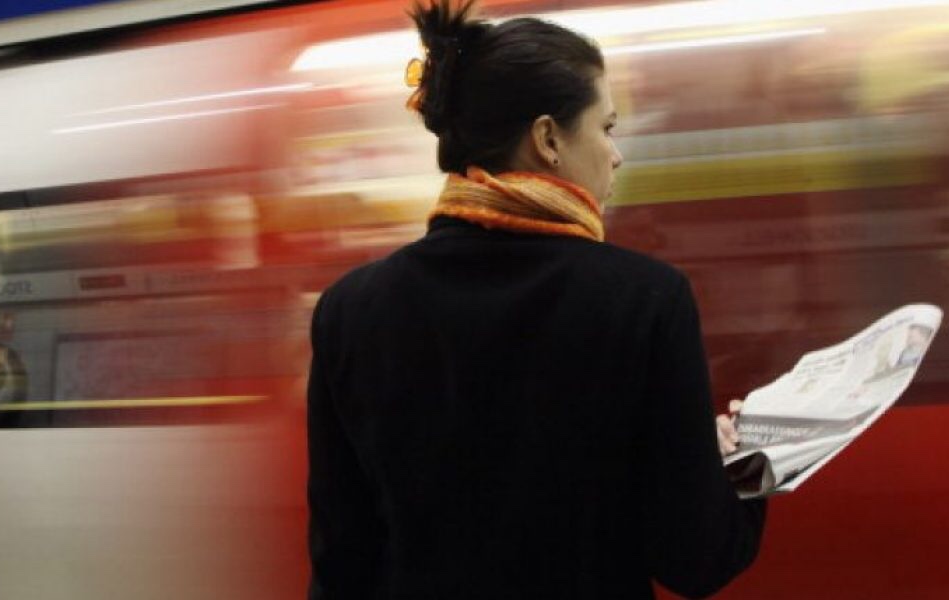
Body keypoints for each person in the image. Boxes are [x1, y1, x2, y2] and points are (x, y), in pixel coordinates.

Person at [307, 1, 766, 598]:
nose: (616, 153)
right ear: (548, 138)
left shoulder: (349, 310)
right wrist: (744, 462)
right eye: (606, 128)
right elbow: (695, 559)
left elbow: (342, 558)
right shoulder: (645, 300)